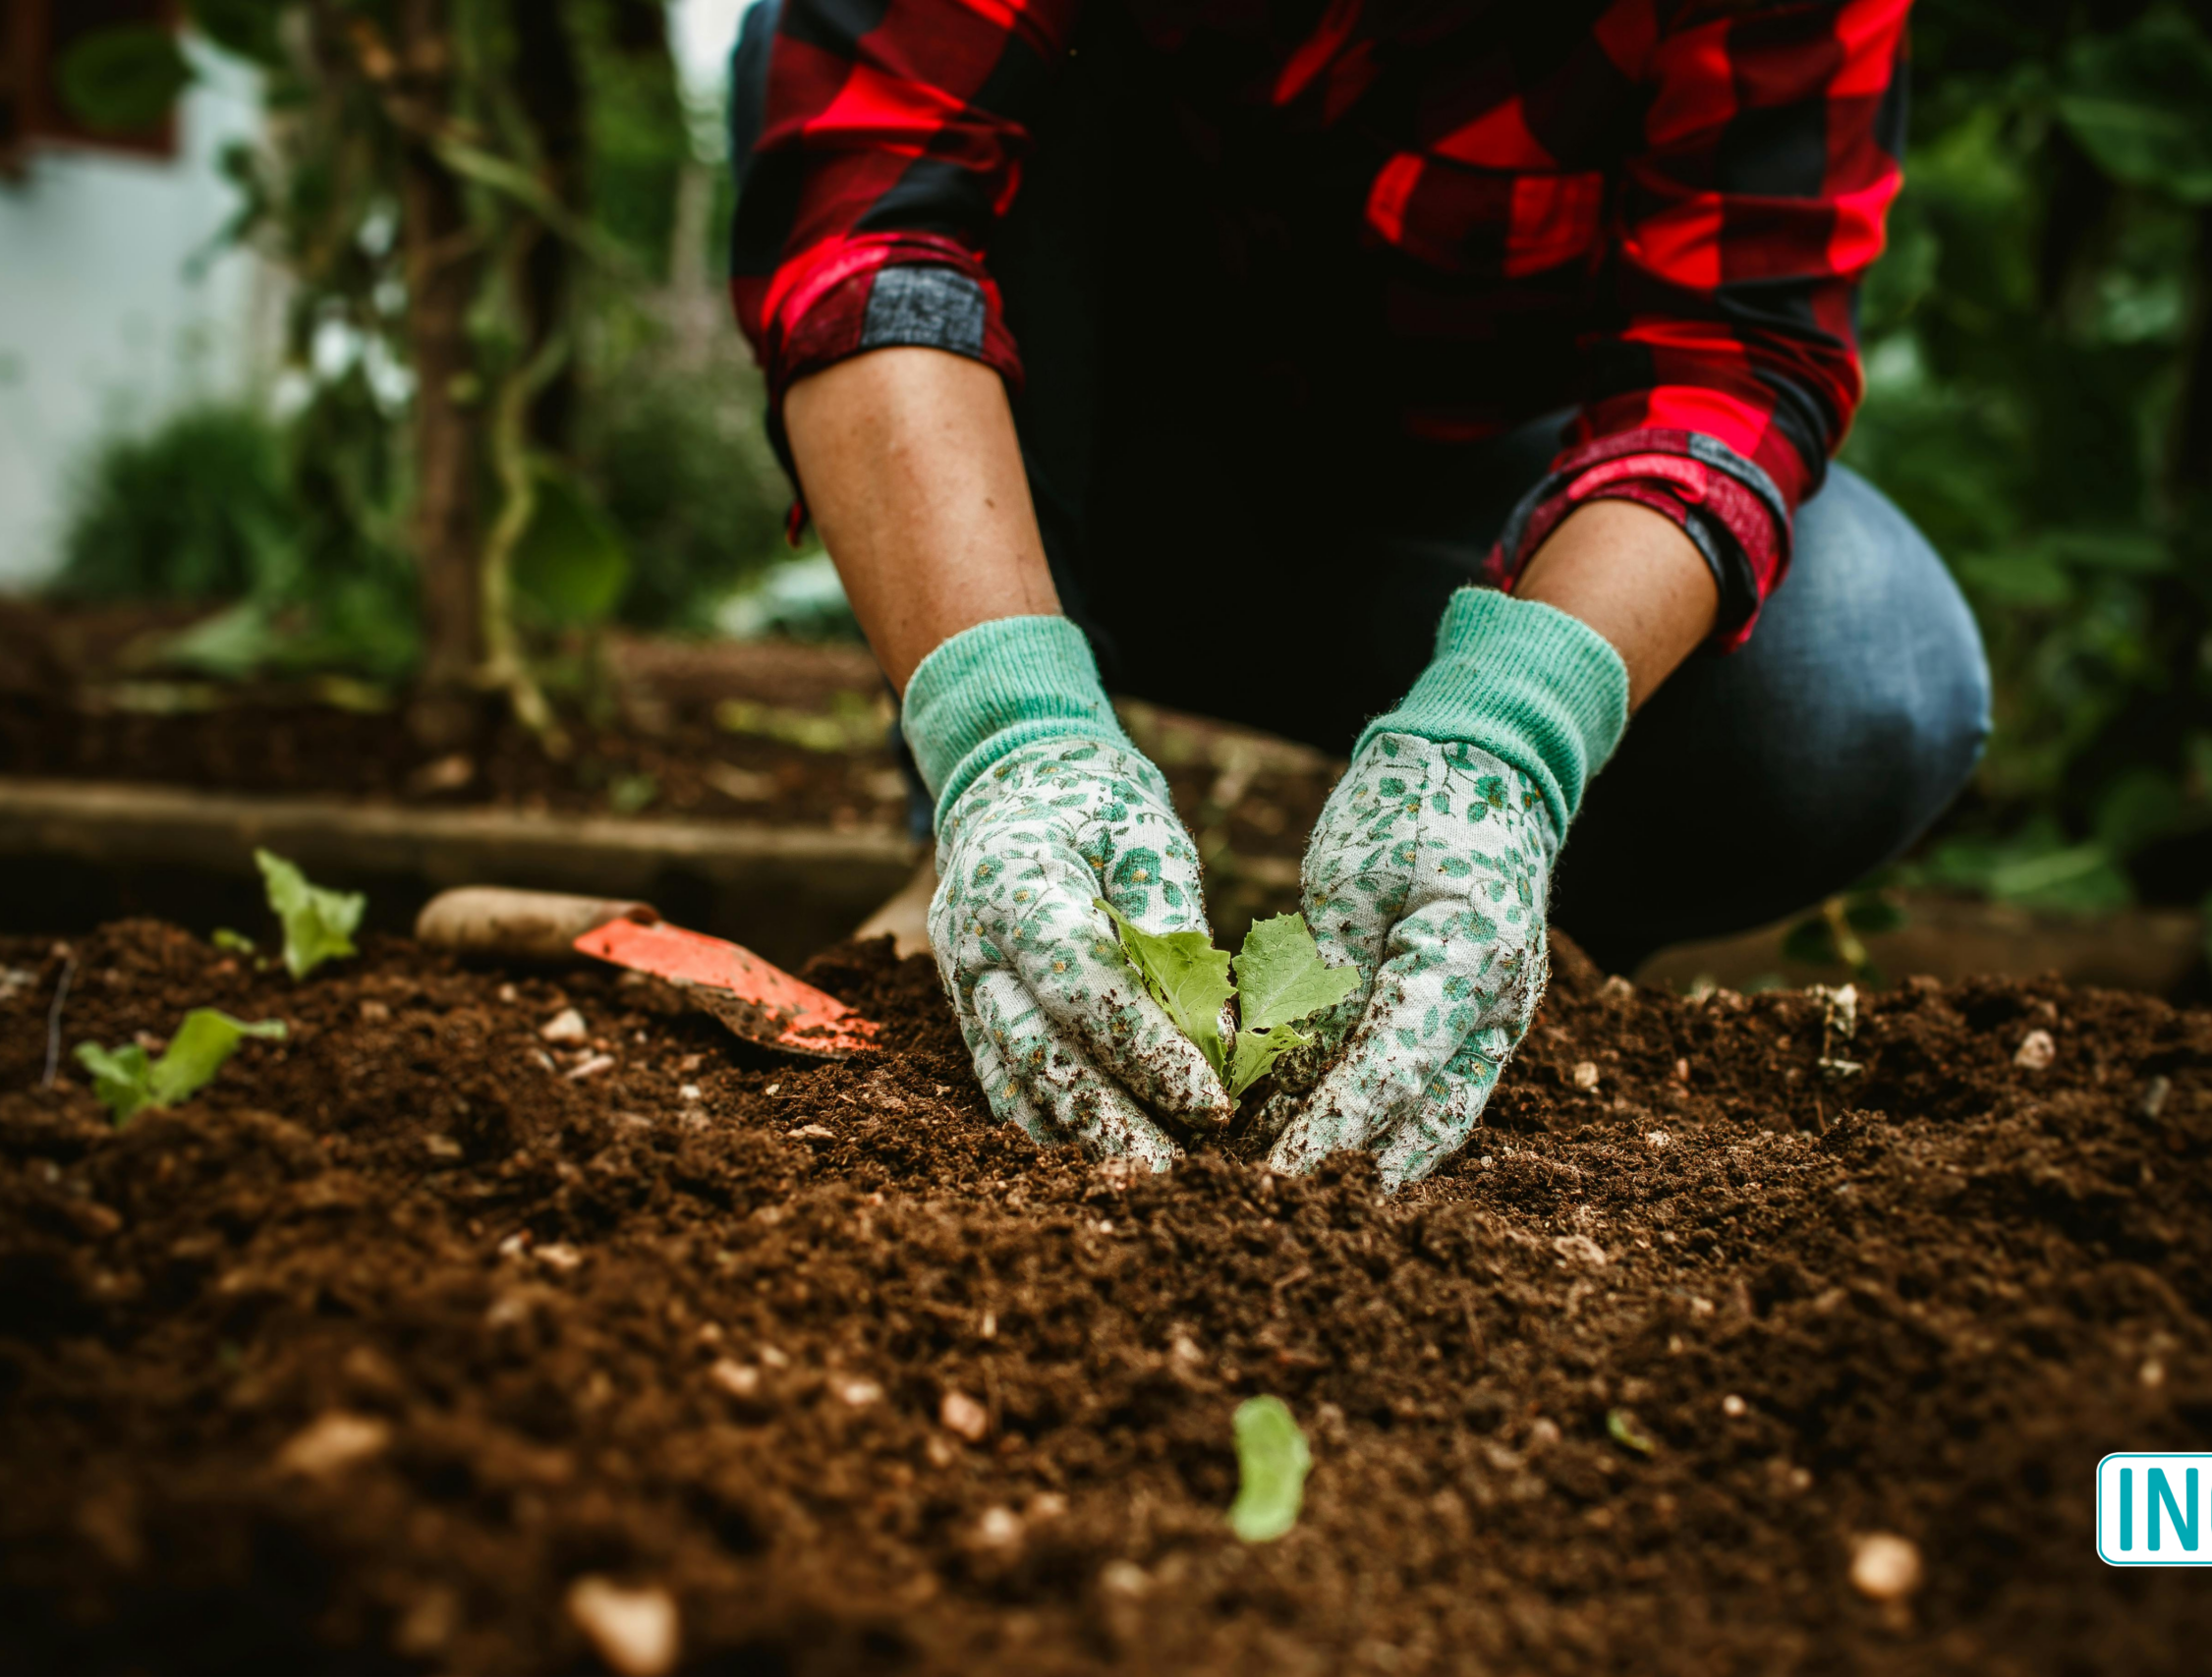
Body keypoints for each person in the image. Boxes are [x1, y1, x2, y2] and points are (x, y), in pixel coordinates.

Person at [726, 0, 1988, 1187]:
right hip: (1073, 480)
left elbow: (1733, 360)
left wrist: (1506, 735)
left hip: (1463, 521)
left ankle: (1476, 936)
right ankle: (981, 833)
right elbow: (867, 212)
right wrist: (1005, 736)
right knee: (816, 47)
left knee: (1860, 673)